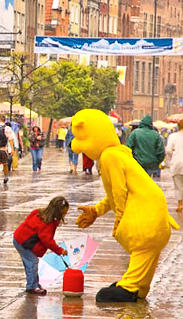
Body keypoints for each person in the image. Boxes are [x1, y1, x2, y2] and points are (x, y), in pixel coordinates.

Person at [71, 109, 179, 302]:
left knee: (142, 248)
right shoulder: (119, 154)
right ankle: (139, 287)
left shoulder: (109, 157)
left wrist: (119, 219)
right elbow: (117, 193)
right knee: (148, 254)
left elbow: (119, 192)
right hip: (157, 219)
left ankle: (129, 287)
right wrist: (97, 210)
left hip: (146, 220)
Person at [13, 196, 69, 295]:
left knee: (30, 263)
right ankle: (32, 286)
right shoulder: (48, 223)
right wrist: (60, 250)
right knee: (32, 263)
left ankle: (34, 283)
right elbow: (47, 240)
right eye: (63, 213)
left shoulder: (39, 212)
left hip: (20, 239)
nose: (64, 215)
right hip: (24, 243)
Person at [165, 121, 183, 212]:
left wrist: (173, 156)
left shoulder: (173, 136)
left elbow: (168, 150)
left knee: (178, 185)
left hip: (177, 163)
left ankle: (180, 204)